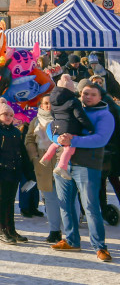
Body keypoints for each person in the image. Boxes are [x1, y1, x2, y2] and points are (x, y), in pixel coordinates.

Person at [48, 80, 115, 261]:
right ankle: (71, 240)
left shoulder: (105, 115)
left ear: (100, 97)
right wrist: (56, 137)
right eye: (85, 93)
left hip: (87, 165)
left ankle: (100, 246)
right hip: (64, 163)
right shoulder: (72, 105)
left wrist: (73, 141)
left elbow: (100, 139)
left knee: (91, 207)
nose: (88, 97)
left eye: (93, 94)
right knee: (65, 204)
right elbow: (51, 124)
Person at [0, 98, 34, 245]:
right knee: (0, 201)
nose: (9, 118)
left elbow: (22, 153)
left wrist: (28, 172)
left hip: (14, 172)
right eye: (6, 115)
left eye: (11, 115)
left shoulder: (15, 132)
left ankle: (11, 230)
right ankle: (2, 231)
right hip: (0, 172)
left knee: (10, 202)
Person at [25, 95, 64, 243]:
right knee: (50, 199)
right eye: (46, 104)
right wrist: (34, 156)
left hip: (62, 162)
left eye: (51, 103)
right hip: (43, 165)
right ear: (41, 105)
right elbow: (29, 139)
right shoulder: (35, 121)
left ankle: (71, 230)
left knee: (67, 199)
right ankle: (55, 230)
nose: (49, 106)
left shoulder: (62, 118)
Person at [40, 75, 93, 180]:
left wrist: (58, 123)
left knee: (56, 143)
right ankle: (61, 167)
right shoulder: (73, 101)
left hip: (58, 126)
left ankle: (46, 157)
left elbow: (53, 114)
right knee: (69, 147)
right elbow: (80, 116)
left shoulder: (53, 101)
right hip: (70, 127)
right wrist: (90, 127)